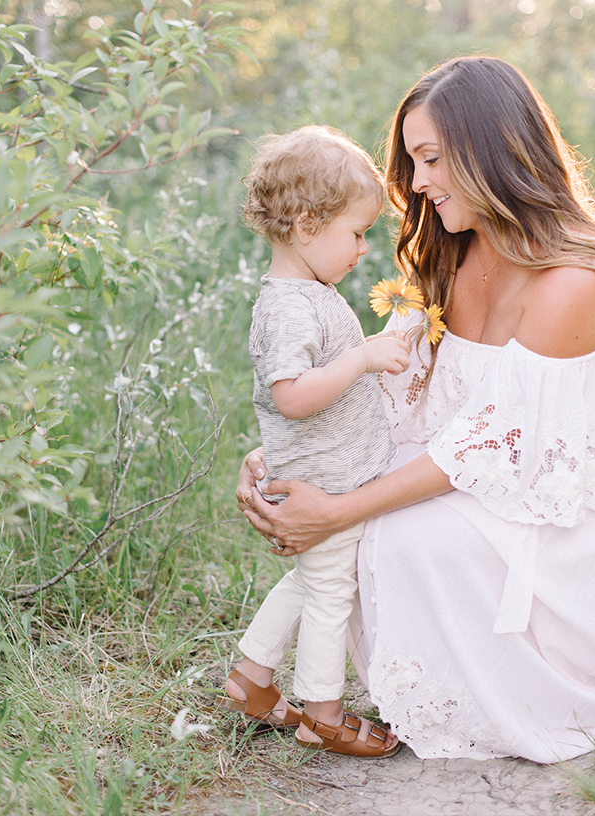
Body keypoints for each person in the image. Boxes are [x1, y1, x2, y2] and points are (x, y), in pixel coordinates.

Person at [236, 56, 595, 764]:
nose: (417, 183)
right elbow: (382, 398)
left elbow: (489, 446)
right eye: (412, 162)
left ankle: (512, 687)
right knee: (354, 506)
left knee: (390, 535)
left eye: (430, 159)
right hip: (476, 475)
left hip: (556, 515)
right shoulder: (448, 256)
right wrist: (284, 461)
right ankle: (297, 682)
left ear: (493, 150)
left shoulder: (575, 280)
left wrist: (336, 509)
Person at [220, 126, 410, 757]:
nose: (362, 249)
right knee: (332, 593)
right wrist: (361, 359)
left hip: (329, 467)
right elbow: (291, 395)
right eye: (355, 233)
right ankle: (322, 714)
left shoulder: (307, 294)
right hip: (326, 479)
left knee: (308, 581)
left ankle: (251, 676)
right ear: (305, 224)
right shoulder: (291, 307)